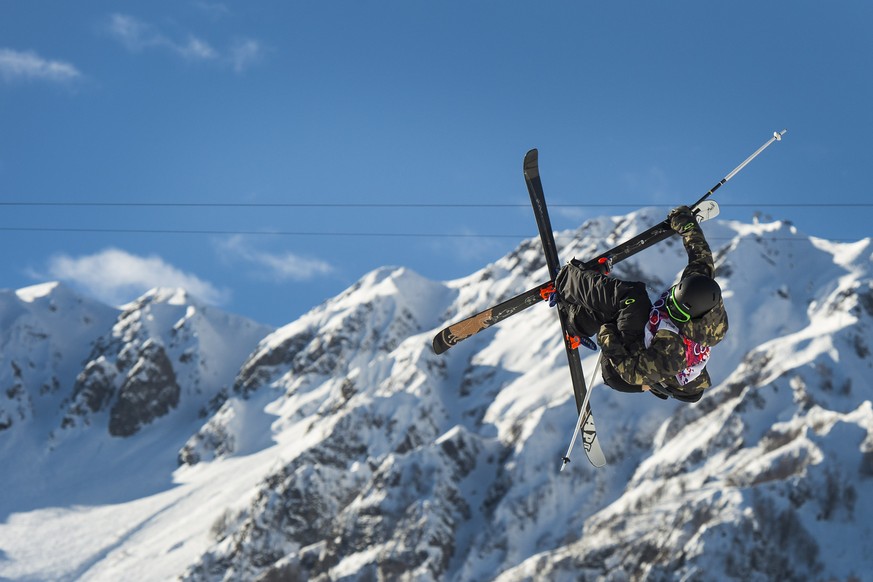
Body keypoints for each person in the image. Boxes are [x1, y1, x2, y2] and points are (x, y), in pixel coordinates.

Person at [553, 205, 728, 402]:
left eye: (677, 314)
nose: (671, 309)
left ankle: (567, 281)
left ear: (692, 319)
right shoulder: (700, 290)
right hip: (646, 348)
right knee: (626, 307)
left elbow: (632, 373)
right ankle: (578, 319)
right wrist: (686, 224)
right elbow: (701, 255)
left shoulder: (674, 352)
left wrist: (606, 333)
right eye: (672, 303)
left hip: (623, 371)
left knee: (631, 297)